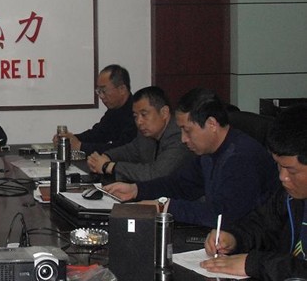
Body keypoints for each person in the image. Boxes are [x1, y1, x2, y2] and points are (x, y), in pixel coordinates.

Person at [104, 87, 279, 228]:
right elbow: (180, 185)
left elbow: (222, 215)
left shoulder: (242, 157)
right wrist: (136, 190)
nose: (183, 139)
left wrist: (164, 207)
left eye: (187, 130)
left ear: (211, 124)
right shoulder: (208, 152)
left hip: (253, 245)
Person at [201, 104, 307, 280]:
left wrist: (255, 264)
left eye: (291, 170)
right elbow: (262, 225)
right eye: (278, 165)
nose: (282, 177)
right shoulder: (288, 196)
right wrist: (234, 238)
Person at [86, 86, 193, 182]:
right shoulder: (146, 135)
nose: (139, 121)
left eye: (144, 114)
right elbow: (129, 151)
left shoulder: (179, 136)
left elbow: (155, 174)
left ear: (164, 112)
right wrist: (106, 156)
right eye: (135, 116)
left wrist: (109, 166)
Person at [54, 64, 136, 155]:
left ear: (122, 89)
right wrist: (70, 139)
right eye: (99, 91)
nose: (101, 96)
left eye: (104, 91)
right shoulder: (114, 111)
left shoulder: (137, 113)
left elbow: (122, 148)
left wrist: (80, 147)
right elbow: (98, 135)